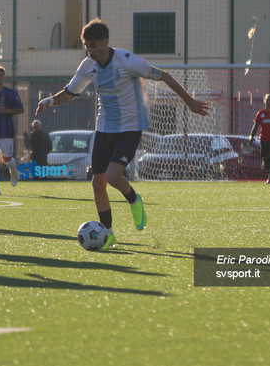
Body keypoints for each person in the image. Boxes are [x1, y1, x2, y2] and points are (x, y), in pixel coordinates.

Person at [35, 18, 209, 249]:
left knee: (114, 176)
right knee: (98, 183)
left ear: (106, 42)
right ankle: (108, 234)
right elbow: (70, 93)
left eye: (94, 45)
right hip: (104, 128)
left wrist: (189, 102)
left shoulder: (127, 61)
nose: (90, 51)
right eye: (87, 46)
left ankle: (134, 200)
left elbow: (163, 75)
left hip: (130, 127)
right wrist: (49, 101)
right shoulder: (88, 66)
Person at [0, 64, 24, 195]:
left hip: (6, 132)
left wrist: (7, 110)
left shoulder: (11, 94)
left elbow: (21, 110)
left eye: (1, 75)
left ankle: (13, 170)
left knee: (7, 159)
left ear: (4, 78)